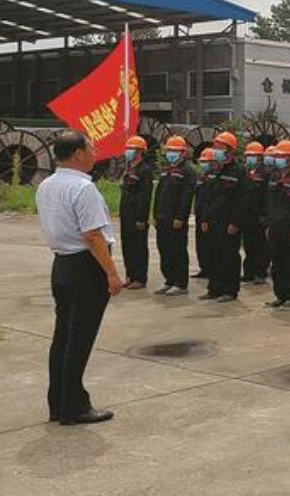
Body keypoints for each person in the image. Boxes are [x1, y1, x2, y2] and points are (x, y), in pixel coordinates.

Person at [35, 129, 122, 425]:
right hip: (86, 267)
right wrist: (112, 273)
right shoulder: (84, 189)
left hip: (61, 265)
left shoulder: (46, 185)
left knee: (62, 337)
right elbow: (93, 236)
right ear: (78, 154)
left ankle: (58, 402)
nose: (95, 153)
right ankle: (73, 406)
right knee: (80, 338)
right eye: (91, 148)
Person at [199, 131, 244, 303]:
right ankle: (214, 288)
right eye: (215, 146)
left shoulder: (238, 172)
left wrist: (236, 222)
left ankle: (229, 290)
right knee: (213, 255)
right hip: (213, 221)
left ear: (229, 150)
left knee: (229, 256)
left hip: (228, 223)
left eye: (219, 146)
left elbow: (242, 200)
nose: (215, 149)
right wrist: (204, 218)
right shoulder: (214, 170)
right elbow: (207, 197)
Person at [263, 140, 290, 309]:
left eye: (282, 156)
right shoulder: (274, 178)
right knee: (277, 264)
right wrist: (269, 225)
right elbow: (270, 203)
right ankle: (280, 295)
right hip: (275, 227)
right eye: (277, 156)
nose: (278, 159)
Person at [153, 136, 196, 295]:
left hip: (175, 219)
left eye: (175, 151)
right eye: (169, 150)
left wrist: (180, 217)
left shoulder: (187, 172)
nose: (171, 154)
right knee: (164, 250)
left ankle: (180, 283)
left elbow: (186, 197)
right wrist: (155, 215)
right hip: (162, 217)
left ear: (183, 153)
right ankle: (169, 280)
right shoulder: (166, 171)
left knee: (177, 250)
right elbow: (158, 194)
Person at [118, 135, 153, 290]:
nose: (128, 152)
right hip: (126, 214)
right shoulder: (129, 168)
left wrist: (141, 218)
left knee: (138, 247)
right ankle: (130, 275)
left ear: (140, 152)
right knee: (127, 246)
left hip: (136, 215)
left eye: (131, 149)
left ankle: (140, 277)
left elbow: (144, 196)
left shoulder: (144, 170)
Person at [239, 141, 270, 286]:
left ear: (260, 157)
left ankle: (260, 273)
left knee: (260, 246)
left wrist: (265, 215)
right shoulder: (245, 172)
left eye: (253, 155)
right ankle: (249, 273)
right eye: (248, 155)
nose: (250, 158)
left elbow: (268, 196)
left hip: (260, 216)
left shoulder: (265, 174)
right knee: (248, 245)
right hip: (247, 216)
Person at [192, 147, 215, 282]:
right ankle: (204, 268)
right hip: (199, 214)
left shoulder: (213, 178)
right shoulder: (202, 177)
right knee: (200, 243)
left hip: (208, 216)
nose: (203, 164)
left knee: (209, 244)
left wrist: (206, 217)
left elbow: (209, 199)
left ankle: (211, 268)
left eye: (206, 162)